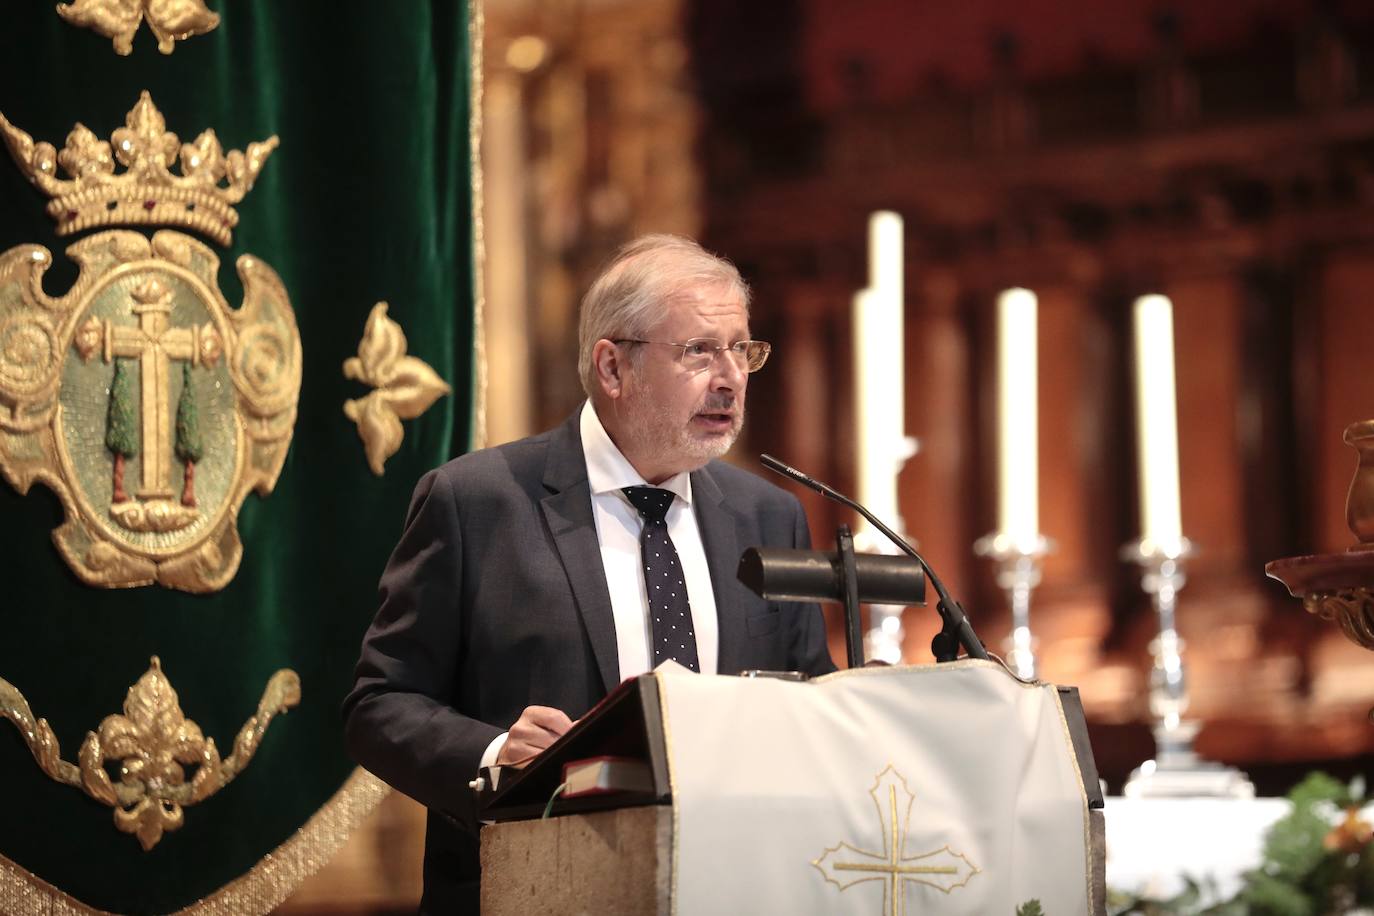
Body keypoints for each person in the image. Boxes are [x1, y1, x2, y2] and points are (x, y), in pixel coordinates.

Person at [343, 234, 836, 914]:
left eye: (741, 349)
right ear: (612, 367)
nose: (731, 378)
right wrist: (494, 755)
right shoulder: (477, 502)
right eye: (698, 351)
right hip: (532, 890)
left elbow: (812, 706)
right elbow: (379, 706)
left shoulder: (768, 515)